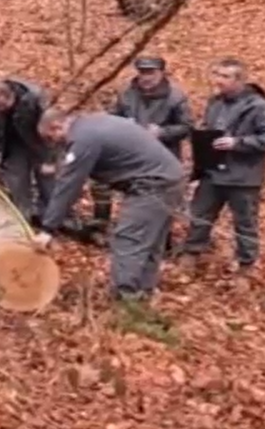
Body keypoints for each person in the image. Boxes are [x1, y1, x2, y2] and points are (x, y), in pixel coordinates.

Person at [33, 108, 186, 302]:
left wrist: (48, 228)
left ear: (56, 127)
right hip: (169, 176)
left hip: (153, 184)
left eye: (50, 137)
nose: (53, 142)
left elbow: (69, 186)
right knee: (150, 240)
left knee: (128, 238)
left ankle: (126, 296)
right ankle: (144, 292)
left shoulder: (83, 138)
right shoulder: (91, 124)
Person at [178, 58, 265, 278]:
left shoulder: (258, 106)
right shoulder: (215, 103)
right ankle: (191, 255)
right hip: (212, 173)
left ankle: (245, 268)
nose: (218, 80)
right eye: (216, 74)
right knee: (200, 215)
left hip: (243, 177)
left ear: (240, 80)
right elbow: (208, 130)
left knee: (245, 224)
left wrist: (238, 143)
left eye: (225, 76)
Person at [90, 56, 194, 233]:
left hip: (162, 155)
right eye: (142, 72)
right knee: (100, 182)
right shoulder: (126, 93)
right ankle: (99, 227)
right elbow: (113, 117)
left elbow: (187, 127)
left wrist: (161, 132)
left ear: (161, 73)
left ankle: (161, 238)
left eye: (151, 73)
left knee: (159, 197)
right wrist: (124, 125)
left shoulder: (176, 97)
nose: (146, 77)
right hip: (128, 154)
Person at [0, 77, 54, 222]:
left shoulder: (36, 99)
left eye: (1, 106)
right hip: (14, 143)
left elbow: (55, 131)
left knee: (48, 182)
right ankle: (23, 217)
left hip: (40, 142)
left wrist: (52, 159)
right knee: (16, 182)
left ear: (10, 97)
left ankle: (54, 219)